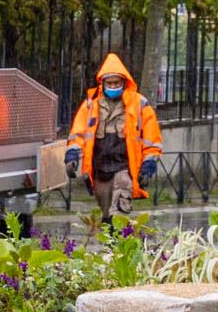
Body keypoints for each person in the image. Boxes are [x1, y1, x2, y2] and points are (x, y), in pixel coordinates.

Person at [65, 53, 163, 219]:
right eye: (109, 83)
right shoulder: (90, 106)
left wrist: (148, 166)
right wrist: (72, 155)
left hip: (124, 168)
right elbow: (77, 133)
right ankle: (116, 244)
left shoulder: (139, 104)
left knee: (118, 216)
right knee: (106, 217)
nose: (113, 86)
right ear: (102, 83)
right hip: (100, 171)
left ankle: (120, 240)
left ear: (124, 82)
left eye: (116, 82)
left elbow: (152, 139)